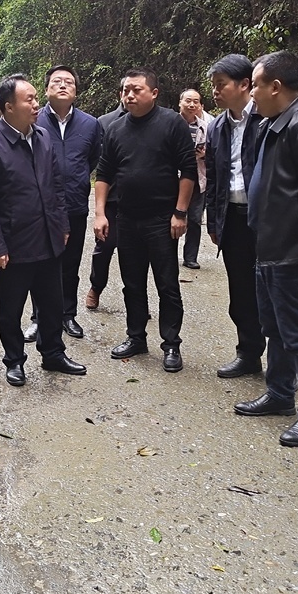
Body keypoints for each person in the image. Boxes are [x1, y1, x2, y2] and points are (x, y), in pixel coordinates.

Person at [233, 51, 298, 447]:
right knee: (274, 328)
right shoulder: (274, 124)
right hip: (269, 246)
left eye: (256, 86)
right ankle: (279, 394)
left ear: (275, 86)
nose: (252, 94)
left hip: (293, 253)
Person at [0, 74, 87, 386]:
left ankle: (53, 353)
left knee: (52, 302)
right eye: (29, 99)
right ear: (9, 107)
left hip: (48, 237)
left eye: (36, 98)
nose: (37, 105)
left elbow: (56, 186)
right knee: (11, 308)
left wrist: (62, 225)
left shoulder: (43, 137)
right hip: (14, 243)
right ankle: (14, 360)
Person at [94, 68, 197, 372]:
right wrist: (100, 213)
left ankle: (171, 344)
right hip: (126, 218)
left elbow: (188, 170)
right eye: (126, 90)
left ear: (154, 93)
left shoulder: (172, 122)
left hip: (162, 219)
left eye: (136, 90)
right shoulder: (115, 128)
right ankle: (136, 336)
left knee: (167, 284)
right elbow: (104, 173)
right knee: (132, 282)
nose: (130, 95)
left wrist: (180, 213)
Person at [23, 66, 103, 340]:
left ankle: (68, 315)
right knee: (41, 264)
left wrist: (76, 180)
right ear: (46, 90)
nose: (62, 85)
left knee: (70, 265)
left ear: (76, 91)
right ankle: (39, 318)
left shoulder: (90, 124)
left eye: (68, 82)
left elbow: (92, 159)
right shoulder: (33, 121)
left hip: (75, 205)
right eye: (56, 81)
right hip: (40, 209)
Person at [204, 55, 266, 378]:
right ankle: (248, 353)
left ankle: (285, 364)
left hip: (265, 221)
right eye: (213, 86)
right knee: (240, 291)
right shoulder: (217, 127)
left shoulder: (267, 119)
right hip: (232, 218)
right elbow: (214, 178)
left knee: (272, 290)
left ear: (244, 84)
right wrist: (214, 221)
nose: (215, 92)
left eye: (221, 85)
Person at [85, 88, 127, 309]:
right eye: (127, 90)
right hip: (112, 197)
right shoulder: (105, 122)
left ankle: (136, 299)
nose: (131, 95)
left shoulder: (155, 122)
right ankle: (96, 287)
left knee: (136, 253)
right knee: (104, 246)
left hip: (139, 200)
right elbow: (99, 160)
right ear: (119, 93)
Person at [179, 89, 212, 269]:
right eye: (188, 101)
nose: (192, 105)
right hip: (174, 179)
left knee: (195, 219)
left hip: (198, 179)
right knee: (171, 217)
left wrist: (205, 154)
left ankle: (190, 257)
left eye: (196, 101)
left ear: (200, 105)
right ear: (180, 103)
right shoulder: (171, 124)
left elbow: (216, 154)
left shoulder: (207, 127)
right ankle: (167, 254)